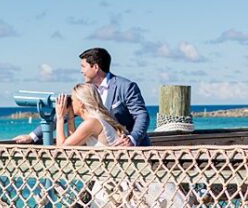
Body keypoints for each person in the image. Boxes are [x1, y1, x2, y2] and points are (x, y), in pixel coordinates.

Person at [13, 47, 151, 146]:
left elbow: (141, 115)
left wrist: (132, 139)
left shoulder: (125, 86)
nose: (81, 71)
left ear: (95, 67)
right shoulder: (86, 91)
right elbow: (64, 113)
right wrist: (32, 136)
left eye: (83, 66)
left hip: (133, 151)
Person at [54, 83, 129, 147]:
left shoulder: (92, 123)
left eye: (72, 100)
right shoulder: (97, 120)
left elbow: (62, 148)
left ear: (81, 103)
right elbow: (75, 144)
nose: (71, 104)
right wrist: (71, 116)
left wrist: (60, 117)